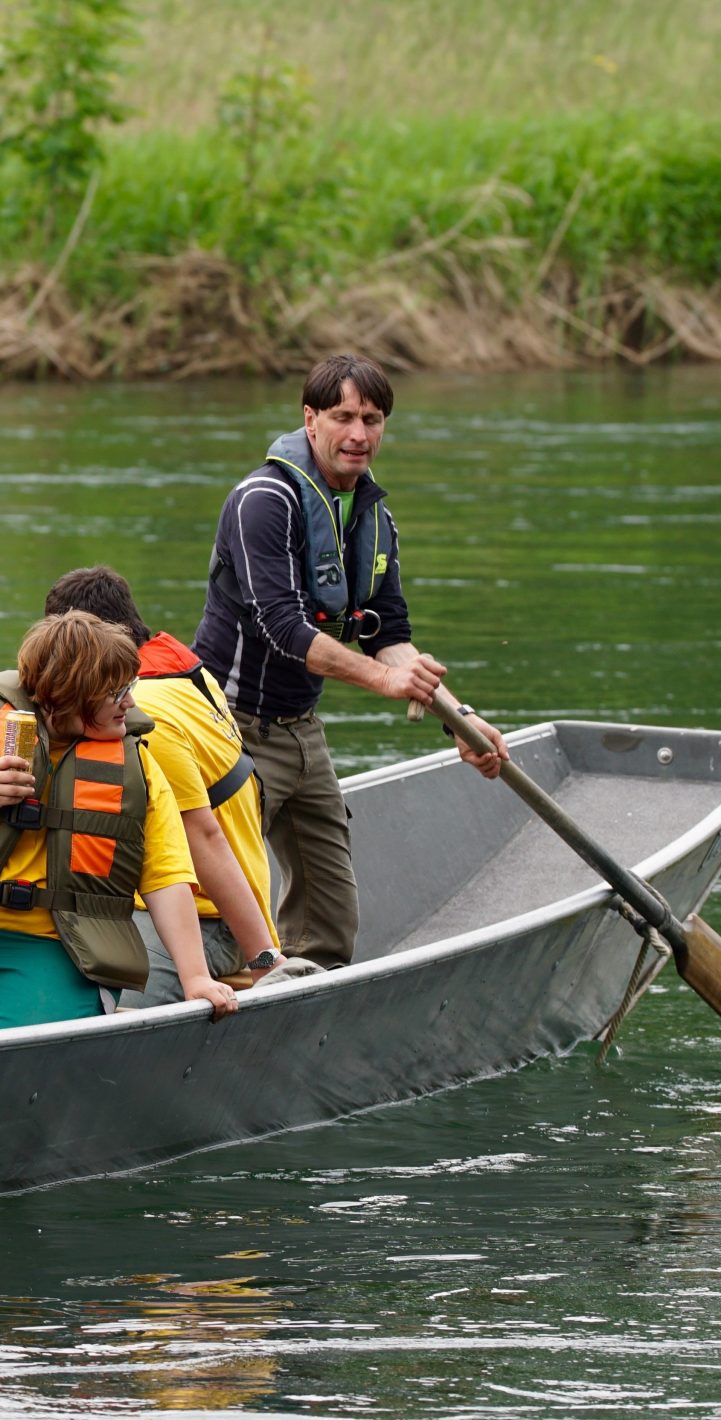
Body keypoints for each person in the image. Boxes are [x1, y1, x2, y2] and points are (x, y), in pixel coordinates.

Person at [190, 354, 509, 968]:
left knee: (331, 922)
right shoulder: (264, 500)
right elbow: (280, 625)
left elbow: (389, 633)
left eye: (372, 418)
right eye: (343, 417)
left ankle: (304, 1011)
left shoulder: (374, 516)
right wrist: (384, 679)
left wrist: (460, 721)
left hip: (302, 730)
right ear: (310, 420)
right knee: (218, 912)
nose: (359, 435)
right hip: (228, 729)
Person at [0, 611, 237, 1045]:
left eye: (131, 688)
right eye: (118, 692)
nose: (131, 703)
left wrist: (195, 977)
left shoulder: (137, 766)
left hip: (51, 946)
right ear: (70, 696)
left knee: (23, 1062)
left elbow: (166, 877)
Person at [40, 566, 316, 997]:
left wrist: (262, 956)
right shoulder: (188, 670)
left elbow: (202, 834)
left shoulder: (143, 713)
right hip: (240, 894)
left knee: (98, 999)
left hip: (209, 919)